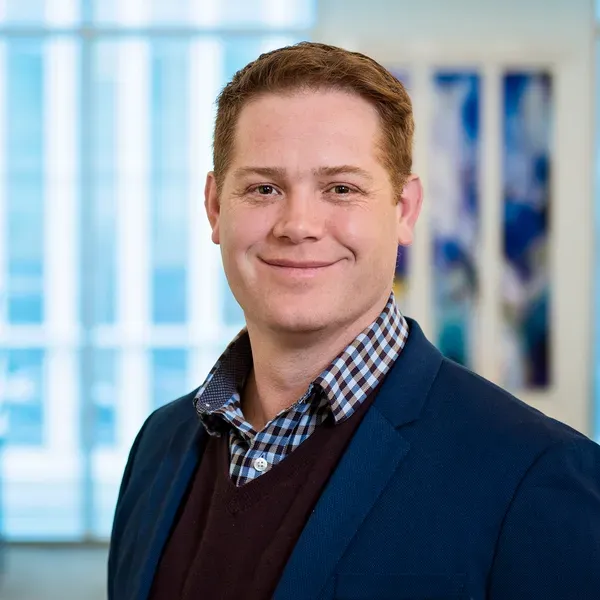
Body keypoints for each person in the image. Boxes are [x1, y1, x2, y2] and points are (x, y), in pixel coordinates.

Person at [108, 42, 600, 600]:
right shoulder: (158, 446)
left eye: (341, 188)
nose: (298, 225)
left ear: (404, 209)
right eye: (264, 188)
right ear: (216, 207)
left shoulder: (535, 475)